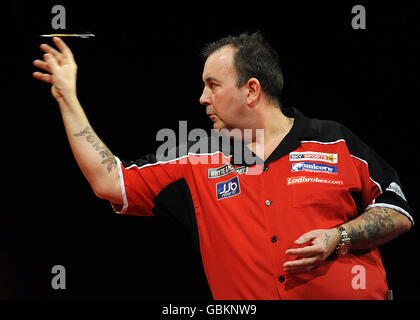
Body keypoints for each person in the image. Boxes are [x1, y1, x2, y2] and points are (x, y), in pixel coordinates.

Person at [33, 32, 413, 300]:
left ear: (250, 90)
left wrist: (338, 237)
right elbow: (107, 179)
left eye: (212, 85)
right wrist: (67, 96)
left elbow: (398, 212)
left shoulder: (335, 140)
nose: (201, 98)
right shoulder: (195, 159)